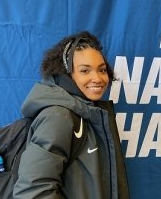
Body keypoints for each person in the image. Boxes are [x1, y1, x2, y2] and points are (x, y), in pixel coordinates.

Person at [13, 31, 129, 199]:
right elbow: (32, 191)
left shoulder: (90, 112)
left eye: (102, 70)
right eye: (85, 71)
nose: (97, 78)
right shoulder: (58, 117)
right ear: (66, 75)